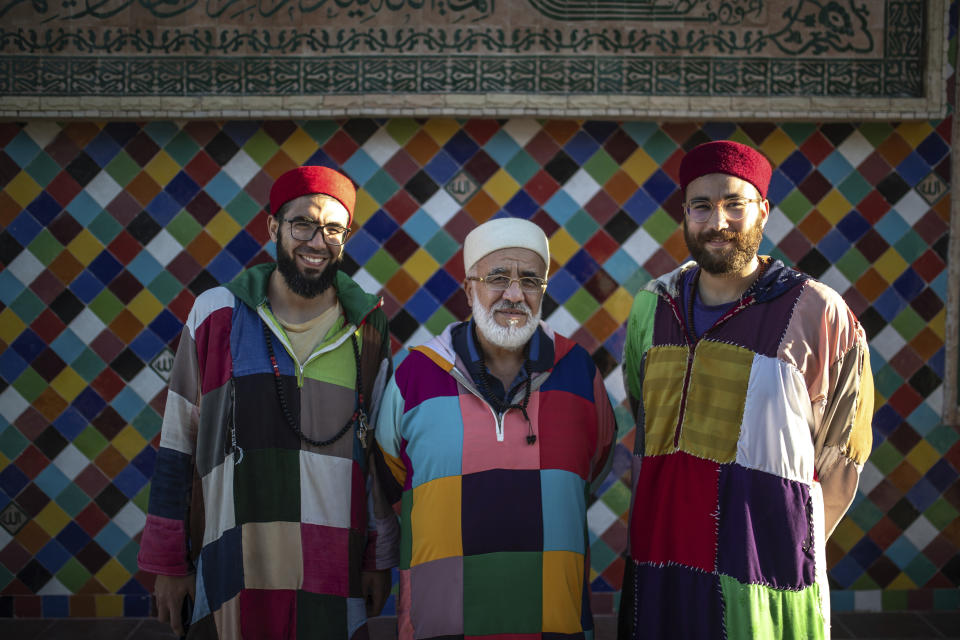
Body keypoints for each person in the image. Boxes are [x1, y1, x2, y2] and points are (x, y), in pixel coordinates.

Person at [618, 140, 875, 640]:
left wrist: (789, 548)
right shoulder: (652, 307)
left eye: (735, 204)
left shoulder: (817, 312)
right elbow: (645, 421)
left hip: (761, 578)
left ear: (763, 210)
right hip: (662, 558)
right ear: (685, 215)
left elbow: (843, 455)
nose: (718, 222)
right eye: (702, 206)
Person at [138, 166, 398, 639]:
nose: (317, 241)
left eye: (334, 229)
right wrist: (168, 563)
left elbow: (378, 460)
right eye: (303, 223)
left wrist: (379, 559)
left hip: (333, 566)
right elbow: (178, 443)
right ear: (273, 228)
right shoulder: (216, 314)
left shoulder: (368, 330)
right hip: (234, 565)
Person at [373, 217, 616, 639]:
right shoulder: (416, 375)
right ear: (469, 288)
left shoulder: (578, 371)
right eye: (498, 277)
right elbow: (388, 478)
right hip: (441, 624)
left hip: (553, 624)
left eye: (530, 280)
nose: (514, 294)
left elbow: (592, 464)